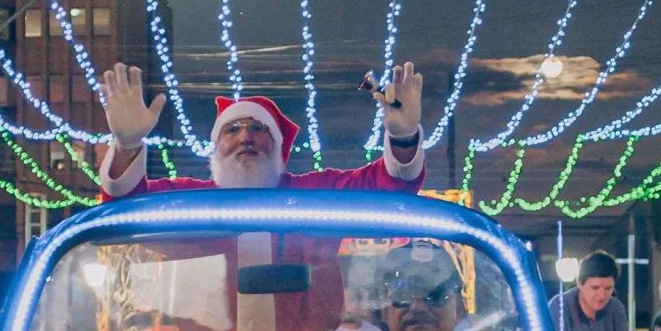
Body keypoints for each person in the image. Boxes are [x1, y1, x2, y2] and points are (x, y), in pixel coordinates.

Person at [96, 62, 428, 196]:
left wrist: (403, 137)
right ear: (216, 147)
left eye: (258, 129)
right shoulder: (187, 199)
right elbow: (122, 210)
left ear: (278, 146)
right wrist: (127, 146)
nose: (245, 137)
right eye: (232, 130)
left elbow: (390, 188)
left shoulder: (313, 194)